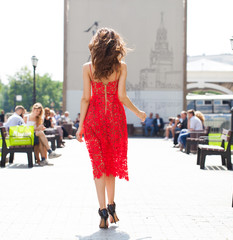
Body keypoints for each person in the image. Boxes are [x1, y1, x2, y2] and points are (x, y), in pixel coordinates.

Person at [76, 28, 146, 229]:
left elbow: (86, 98)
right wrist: (138, 112)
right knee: (111, 167)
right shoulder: (121, 67)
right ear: (114, 46)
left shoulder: (88, 68)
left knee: (98, 167)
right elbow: (122, 97)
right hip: (114, 120)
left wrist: (80, 126)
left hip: (93, 121)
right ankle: (112, 208)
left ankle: (103, 213)